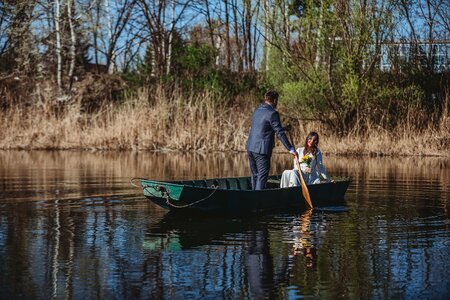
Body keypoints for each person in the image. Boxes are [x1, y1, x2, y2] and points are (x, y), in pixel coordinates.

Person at [246, 90, 297, 190]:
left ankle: (253, 198)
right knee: (261, 176)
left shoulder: (257, 110)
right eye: (277, 101)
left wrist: (284, 128)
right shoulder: (273, 113)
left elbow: (265, 127)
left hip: (250, 147)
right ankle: (258, 201)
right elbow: (279, 133)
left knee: (255, 175)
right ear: (274, 100)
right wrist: (290, 148)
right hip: (262, 150)